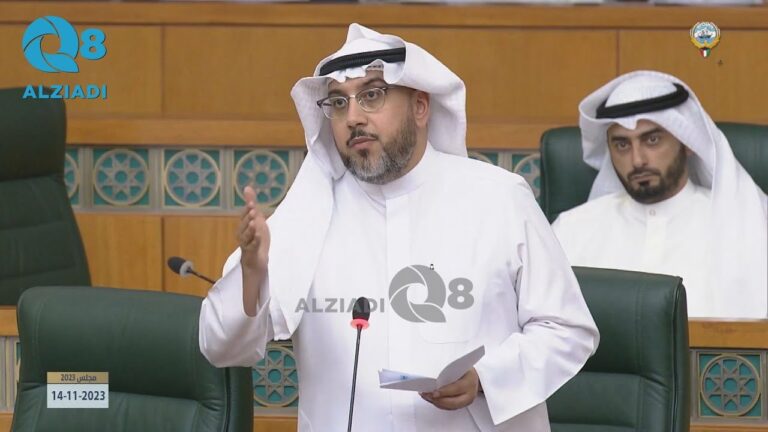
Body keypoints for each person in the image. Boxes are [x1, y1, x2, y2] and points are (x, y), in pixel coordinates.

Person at [199, 24, 599, 431]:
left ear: (420, 107)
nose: (353, 117)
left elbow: (568, 330)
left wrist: (486, 380)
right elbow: (221, 347)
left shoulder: (499, 198)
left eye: (371, 95)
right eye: (338, 102)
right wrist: (252, 274)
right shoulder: (305, 218)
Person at [552, 70, 768, 318]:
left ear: (687, 142)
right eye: (622, 144)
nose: (637, 160)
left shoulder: (749, 227)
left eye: (652, 140)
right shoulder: (571, 231)